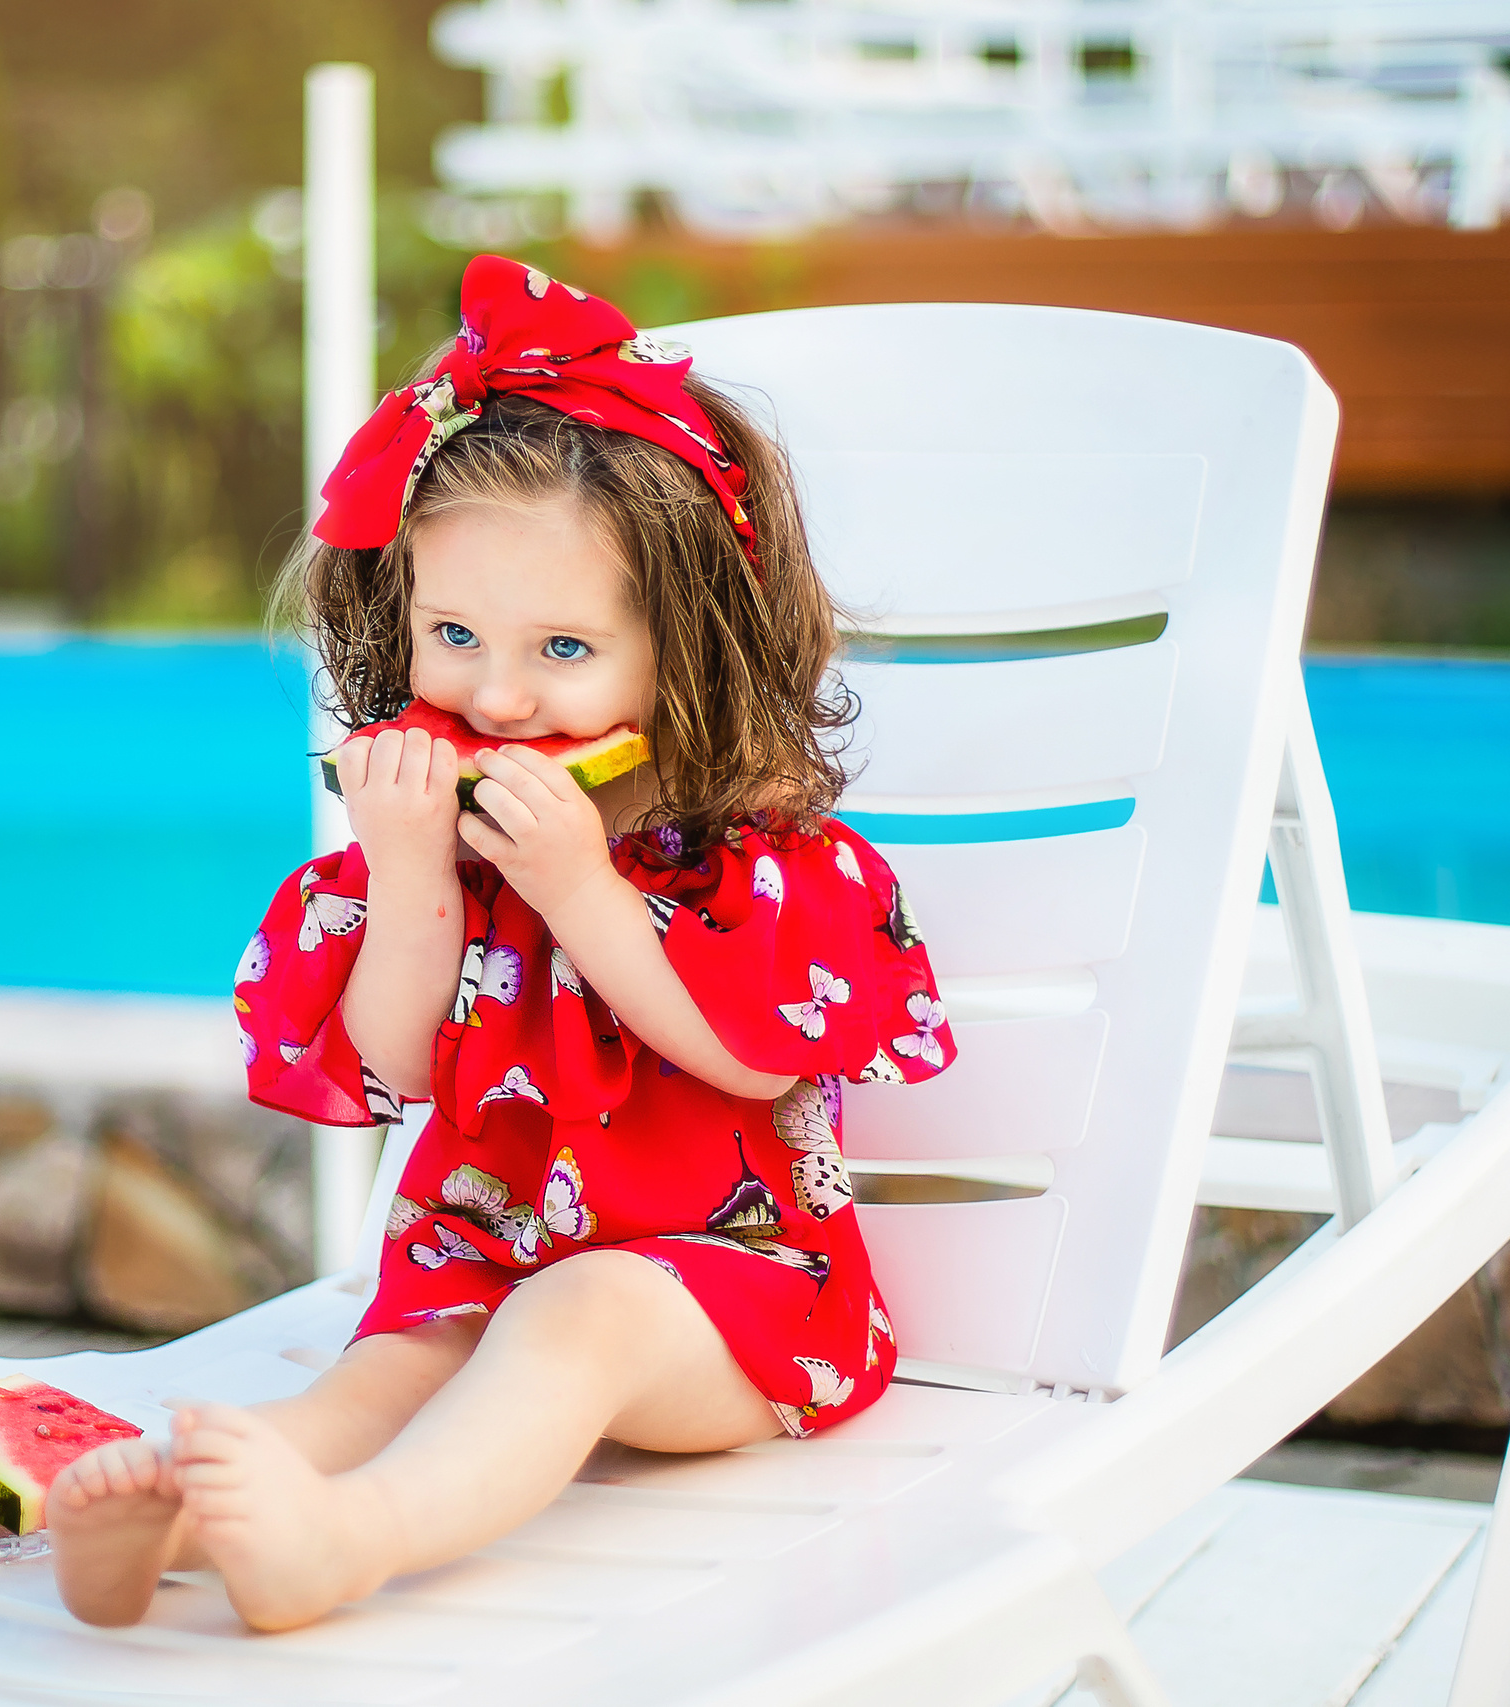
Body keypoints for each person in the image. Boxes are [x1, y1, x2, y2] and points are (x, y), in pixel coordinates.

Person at [47, 254, 955, 1633]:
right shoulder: (447, 850)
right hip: (486, 1263)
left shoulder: (764, 866)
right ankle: (164, 1523)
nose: (501, 696)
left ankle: (349, 1542)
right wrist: (413, 874)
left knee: (580, 1313)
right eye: (455, 634)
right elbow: (398, 1068)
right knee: (391, 1368)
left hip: (743, 1303)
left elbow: (756, 1059)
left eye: (564, 649)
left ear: (692, 646)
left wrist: (585, 892)